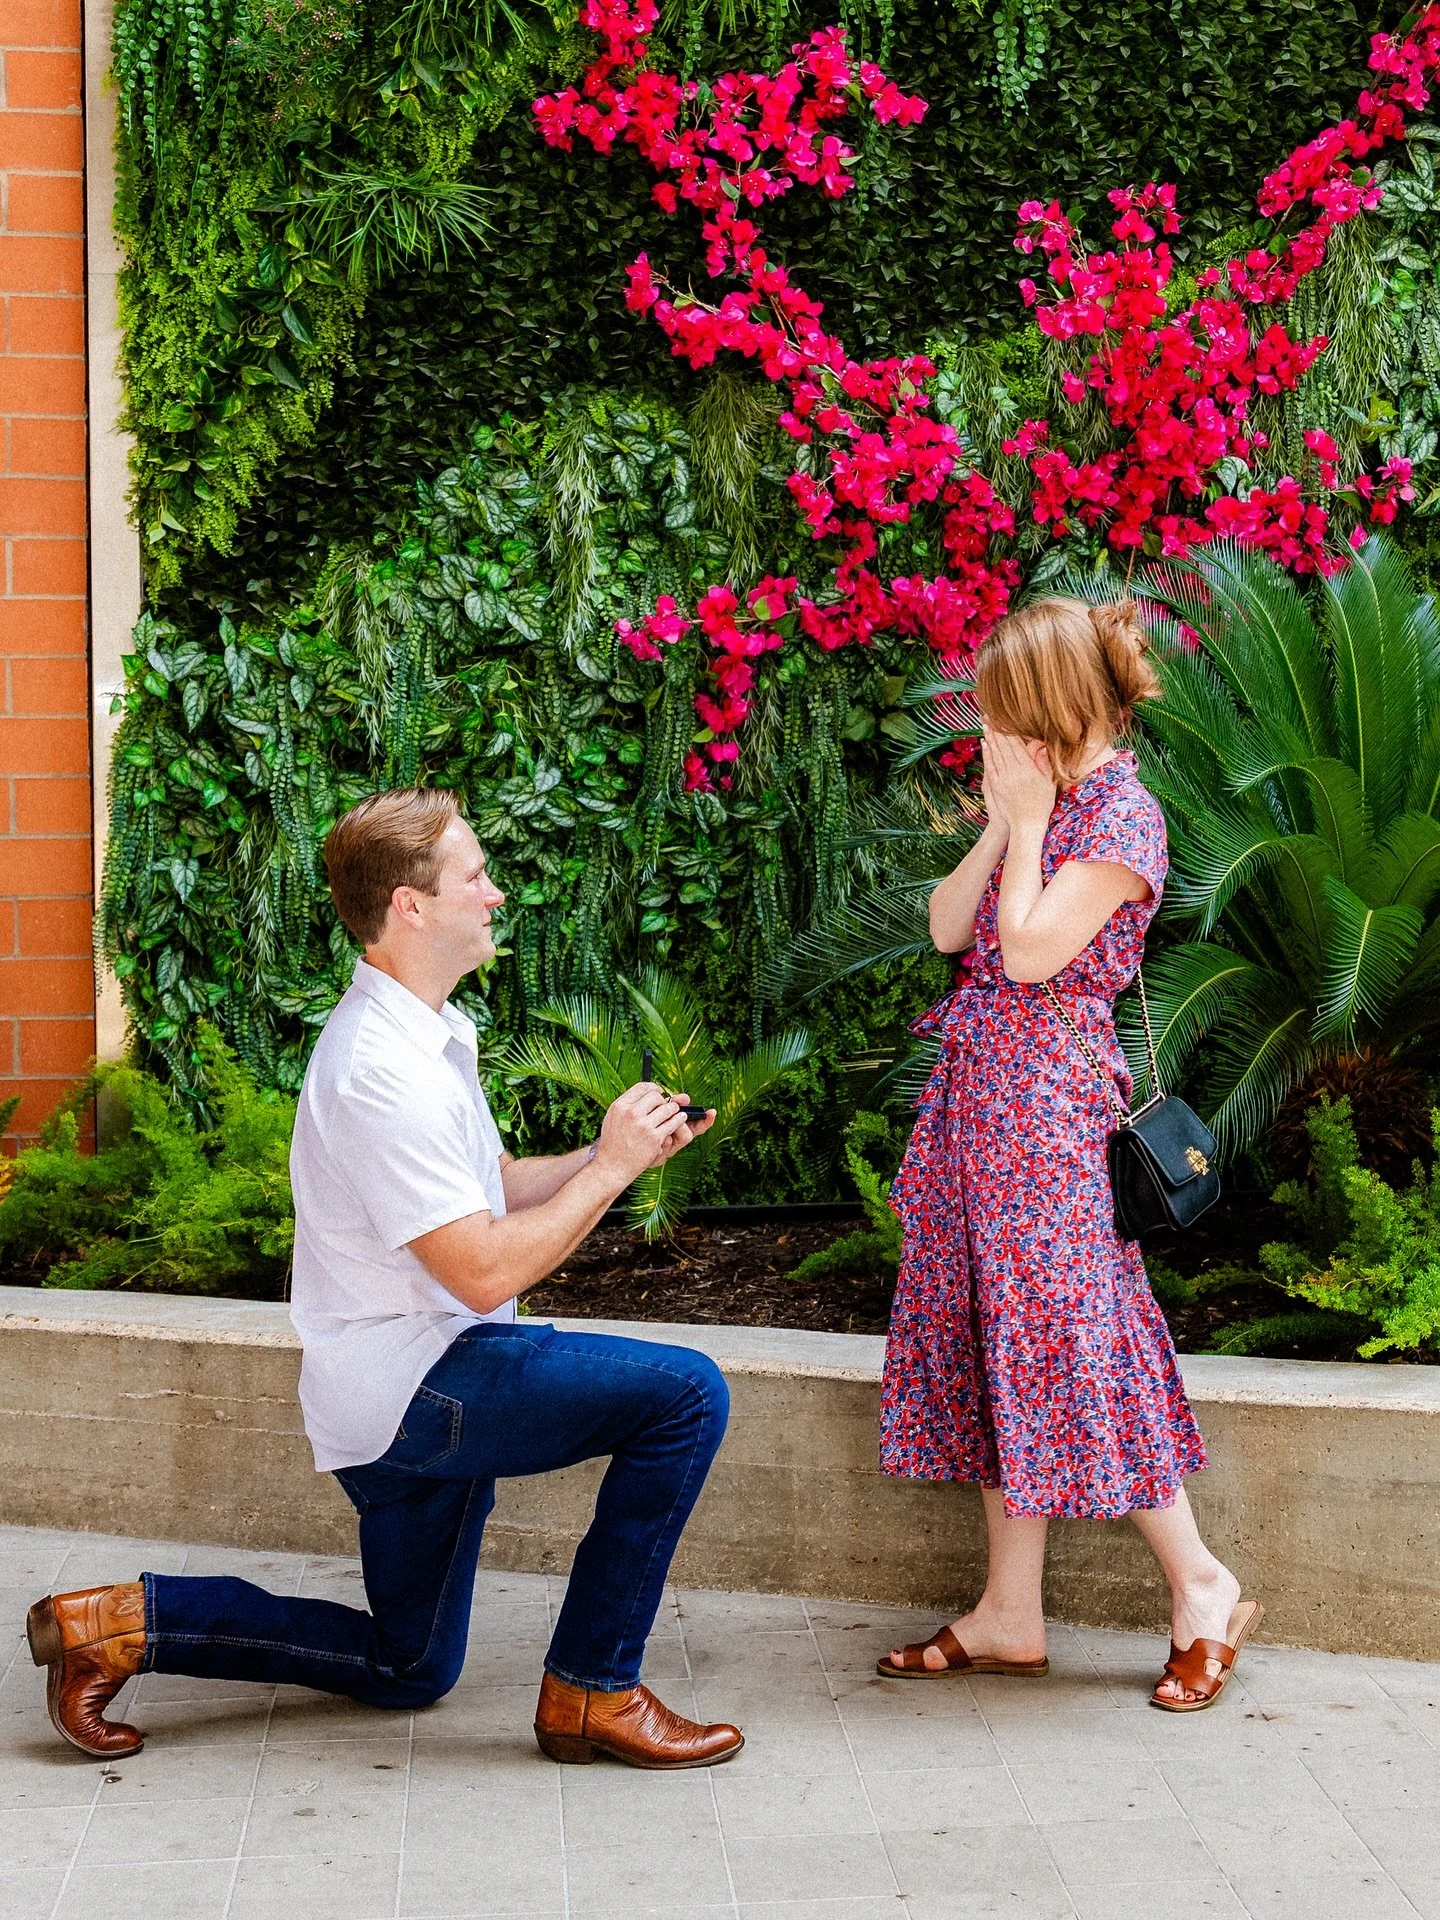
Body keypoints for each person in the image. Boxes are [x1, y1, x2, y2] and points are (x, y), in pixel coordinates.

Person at [26, 788, 745, 1769]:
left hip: (408, 1388)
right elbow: (484, 1270)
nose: (495, 894)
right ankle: (593, 1691)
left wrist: (611, 1151)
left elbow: (488, 1190)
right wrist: (612, 1173)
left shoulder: (429, 1036)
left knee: (409, 1665)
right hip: (424, 1384)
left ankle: (116, 1623)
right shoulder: (380, 1068)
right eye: (475, 876)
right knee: (686, 1399)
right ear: (411, 906)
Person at [877, 597, 1260, 1713]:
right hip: (981, 1108)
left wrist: (1035, 820)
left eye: (1000, 705)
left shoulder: (1123, 819)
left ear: (1045, 707)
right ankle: (1009, 1610)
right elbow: (955, 931)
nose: (985, 724)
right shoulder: (1042, 802)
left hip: (1048, 1113)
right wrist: (1006, 820)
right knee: (1002, 1336)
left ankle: (1200, 1583)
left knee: (1083, 1342)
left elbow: (1035, 954)